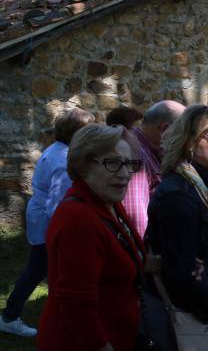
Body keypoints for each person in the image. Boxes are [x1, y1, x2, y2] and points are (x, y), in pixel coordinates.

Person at [37, 124, 145, 351]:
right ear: (83, 165)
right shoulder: (79, 219)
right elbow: (76, 304)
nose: (125, 173)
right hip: (81, 342)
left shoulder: (109, 204)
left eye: (129, 163)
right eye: (113, 162)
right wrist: (100, 345)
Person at [0, 107, 94, 337]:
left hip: (44, 219)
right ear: (76, 133)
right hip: (49, 223)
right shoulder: (63, 160)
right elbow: (58, 206)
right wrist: (64, 235)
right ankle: (12, 316)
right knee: (44, 270)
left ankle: (19, 315)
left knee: (41, 269)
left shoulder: (60, 150)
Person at [147, 104, 208, 331]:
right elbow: (183, 276)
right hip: (194, 314)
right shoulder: (178, 194)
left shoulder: (202, 184)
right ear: (189, 141)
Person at [123, 100, 185, 237]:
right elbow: (135, 217)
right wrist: (144, 254)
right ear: (164, 128)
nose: (184, 139)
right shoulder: (137, 153)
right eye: (182, 132)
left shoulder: (151, 149)